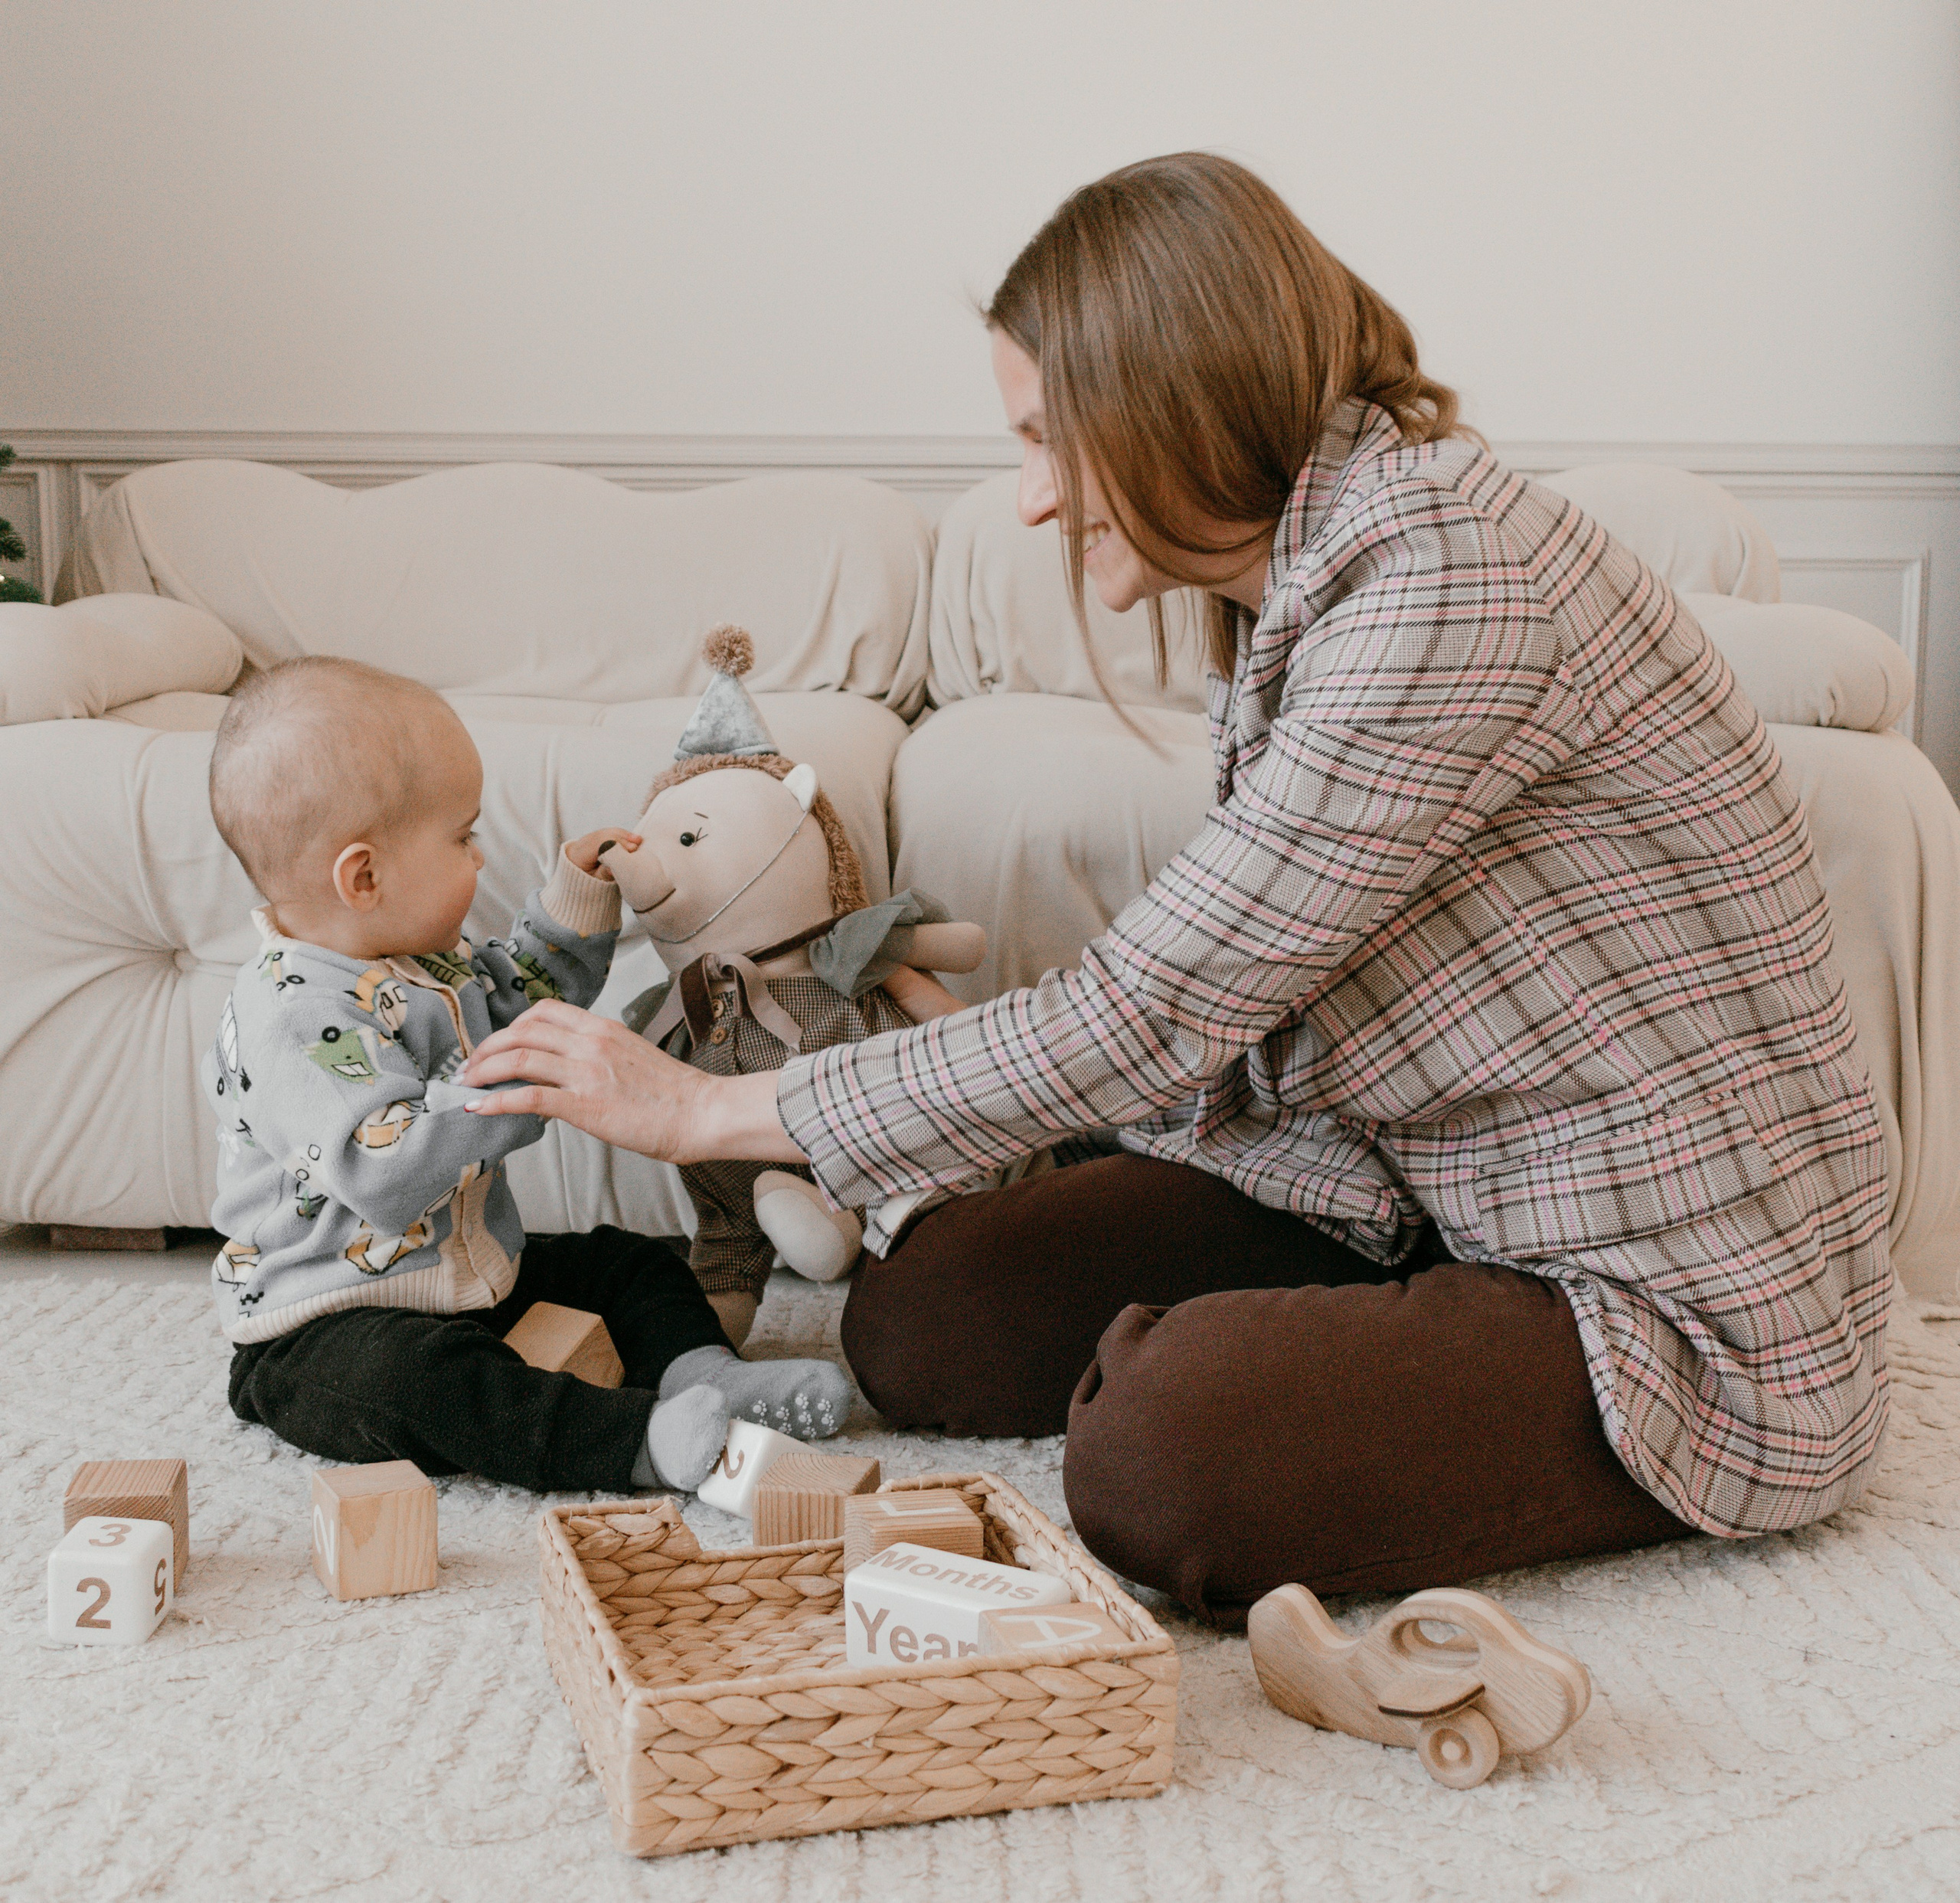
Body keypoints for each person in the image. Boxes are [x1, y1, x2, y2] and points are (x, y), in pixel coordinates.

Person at [462, 154, 1891, 1621]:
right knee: (925, 1318)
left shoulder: (1444, 583)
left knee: (1151, 1457)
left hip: (1659, 1288)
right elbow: (1232, 1002)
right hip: (1410, 1185)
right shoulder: (1312, 562)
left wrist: (698, 1107)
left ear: (1171, 393)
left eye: (1045, 440)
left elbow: (1151, 1013)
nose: (1028, 502)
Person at [200, 655, 854, 1499]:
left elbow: (515, 1000)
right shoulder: (289, 1016)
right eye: (463, 836)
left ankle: (705, 1376)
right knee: (433, 1381)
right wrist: (528, 1086)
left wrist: (572, 905)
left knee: (630, 1262)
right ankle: (636, 1444)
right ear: (363, 877)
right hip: (323, 1326)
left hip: (467, 1276)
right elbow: (383, 1169)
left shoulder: (416, 956)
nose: (479, 857)